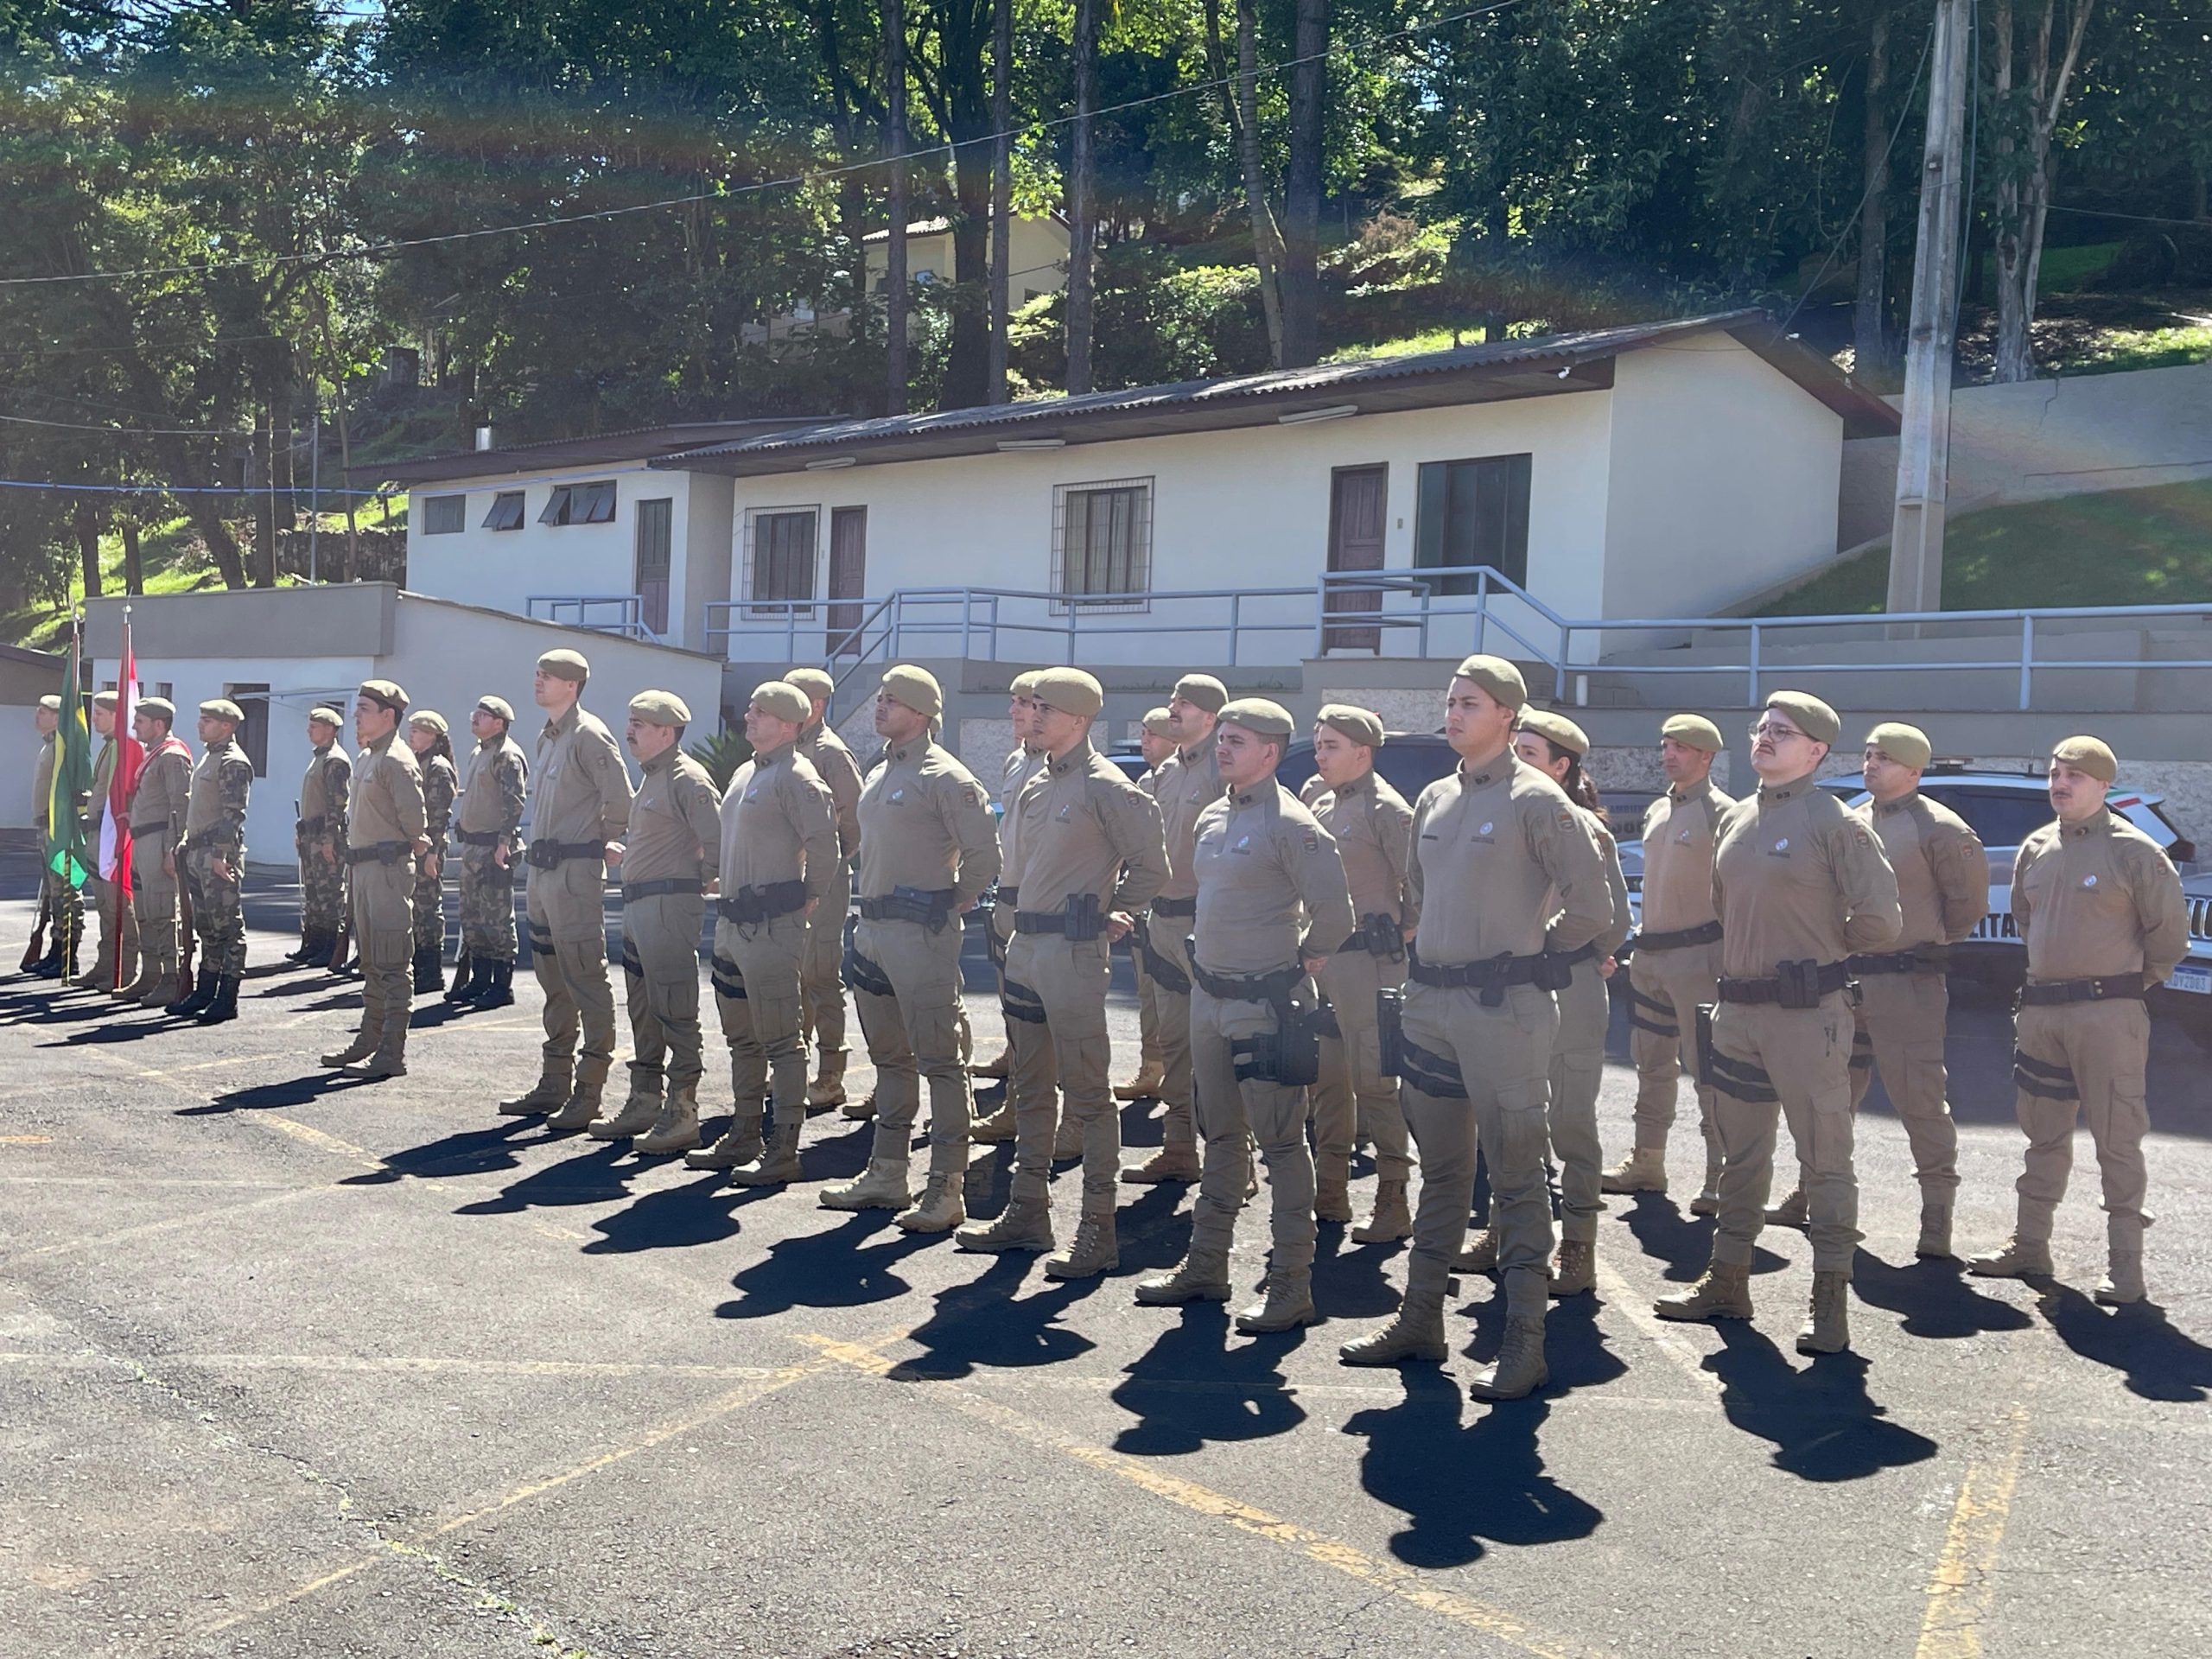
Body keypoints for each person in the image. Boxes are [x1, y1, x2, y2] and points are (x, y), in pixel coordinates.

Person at [1338, 656, 1609, 1403]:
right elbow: (1420, 895)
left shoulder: (1538, 801)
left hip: (1505, 1011)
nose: (1454, 714)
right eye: (1451, 702)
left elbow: (1595, 910)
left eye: (1472, 704)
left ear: (1508, 718)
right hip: (1429, 1004)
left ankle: (1526, 1342)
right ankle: (1421, 1319)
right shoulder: (1433, 797)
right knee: (1444, 1173)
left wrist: (1530, 956)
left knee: (1518, 1178)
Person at [1656, 691, 1901, 1356]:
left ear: (1816, 751)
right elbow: (1722, 904)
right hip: (1737, 1011)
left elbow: (1881, 919)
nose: (1765, 739)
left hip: (1806, 1015)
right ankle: (1728, 1280)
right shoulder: (1737, 819)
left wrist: (1823, 951)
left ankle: (1829, 1303)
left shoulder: (1837, 823)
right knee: (1741, 1155)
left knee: (1824, 1159)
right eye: (1762, 729)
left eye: (1782, 733)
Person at [1136, 698, 1354, 1331]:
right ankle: (1206, 1264)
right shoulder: (1211, 815)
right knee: (1221, 1135)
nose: (1223, 749)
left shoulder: (1294, 824)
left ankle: (1291, 1283)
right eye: (1222, 738)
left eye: (1237, 741)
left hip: (1268, 1004)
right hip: (1210, 998)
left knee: (1284, 1142)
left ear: (1270, 752)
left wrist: (1303, 961)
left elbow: (1336, 916)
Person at [957, 667, 1166, 1276]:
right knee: (1029, 1084)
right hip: (1025, 946)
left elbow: (1154, 866)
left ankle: (1097, 1229)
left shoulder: (1109, 788)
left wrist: (1116, 909)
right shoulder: (1035, 782)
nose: (1036, 716)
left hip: (1072, 956)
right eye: (1034, 706)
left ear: (1081, 719)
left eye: (1049, 709)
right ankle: (1028, 1211)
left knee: (1090, 1096)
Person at [1969, 736, 2188, 1305]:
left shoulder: (2136, 853)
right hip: (2042, 1011)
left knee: (2117, 1141)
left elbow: (2169, 939)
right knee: (2042, 1136)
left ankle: (2126, 1268)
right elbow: (2025, 918)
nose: (2061, 784)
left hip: (2108, 1015)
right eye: (2056, 773)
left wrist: (2121, 986)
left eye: (2076, 775)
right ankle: (2030, 1246)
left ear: (2103, 785)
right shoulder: (2037, 847)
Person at [1767, 722, 1986, 1258]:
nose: (1871, 765)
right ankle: (1811, 1192)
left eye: (1885, 758)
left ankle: (1936, 1216)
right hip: (1847, 978)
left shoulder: (1940, 829)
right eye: (1867, 755)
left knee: (1920, 1099)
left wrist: (1920, 943)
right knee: (1828, 1093)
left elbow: (1965, 909)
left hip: (1908, 981)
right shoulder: (1852, 820)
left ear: (1914, 770)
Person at [822, 666, 1001, 1230]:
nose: (880, 706)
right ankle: (888, 1174)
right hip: (872, 932)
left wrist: (951, 902)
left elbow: (985, 857)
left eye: (893, 701)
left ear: (922, 713)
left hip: (919, 936)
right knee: (890, 1061)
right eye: (880, 697)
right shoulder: (881, 769)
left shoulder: (946, 777)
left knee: (942, 1064)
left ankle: (946, 1188)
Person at [1483, 708, 1630, 1297]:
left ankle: (1578, 1246)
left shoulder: (1583, 828)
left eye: (1529, 753)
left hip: (1566, 985)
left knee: (1569, 1120)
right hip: (1508, 989)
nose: (1514, 761)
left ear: (1561, 767)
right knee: (1510, 1117)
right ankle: (1505, 1230)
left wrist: (1550, 947)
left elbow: (1610, 919)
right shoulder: (1499, 817)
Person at [686, 681, 839, 1183]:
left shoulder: (798, 777)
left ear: (791, 726)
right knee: (741, 1038)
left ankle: (784, 1148)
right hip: (731, 923)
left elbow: (826, 845)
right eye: (750, 709)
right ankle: (745, 1132)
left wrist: (809, 895)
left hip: (772, 925)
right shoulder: (747, 772)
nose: (749, 717)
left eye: (762, 712)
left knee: (782, 1040)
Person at [1605, 714, 1735, 1211]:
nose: (1670, 755)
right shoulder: (1660, 809)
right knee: (1651, 1064)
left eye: (1682, 747)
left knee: (1709, 1070)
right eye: (1666, 745)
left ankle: (1719, 1175)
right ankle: (1647, 1162)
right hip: (1651, 956)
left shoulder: (1722, 812)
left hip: (1699, 956)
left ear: (1706, 757)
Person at [496, 651, 632, 1127]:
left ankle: (589, 1090)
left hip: (574, 875)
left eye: (547, 677)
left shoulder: (590, 734)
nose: (537, 681)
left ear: (572, 686)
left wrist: (610, 839)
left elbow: (620, 796)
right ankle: (554, 1081)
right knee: (553, 981)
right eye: (536, 673)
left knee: (585, 980)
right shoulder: (548, 737)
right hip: (542, 873)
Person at [1300, 704, 1417, 1243]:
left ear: (1362, 753)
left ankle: (1393, 1200)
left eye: (1330, 746)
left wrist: (1394, 938)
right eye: (1319, 744)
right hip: (1324, 965)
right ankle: (1331, 1191)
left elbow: (1420, 890)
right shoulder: (1316, 800)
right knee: (1328, 1079)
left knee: (1375, 1086)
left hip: (1369, 966)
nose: (1320, 754)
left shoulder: (1386, 810)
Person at [590, 691, 723, 1152]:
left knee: (675, 1009)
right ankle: (646, 1100)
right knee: (644, 1010)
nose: (630, 730)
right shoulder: (652, 777)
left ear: (666, 732)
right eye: (630, 721)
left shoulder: (687, 778)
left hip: (668, 906)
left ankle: (683, 1110)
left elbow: (717, 840)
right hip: (641, 906)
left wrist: (698, 880)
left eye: (640, 723)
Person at [1122, 673, 1227, 1185]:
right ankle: (1180, 1147)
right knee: (1176, 1043)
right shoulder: (1168, 771)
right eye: (1171, 700)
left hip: (1204, 922)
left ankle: (1235, 1160)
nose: (1172, 709)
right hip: (1162, 920)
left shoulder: (1222, 766)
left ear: (1210, 717)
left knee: (1218, 1047)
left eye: (1183, 704)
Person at [321, 681, 429, 1078]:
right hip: (364, 869)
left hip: (387, 870)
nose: (355, 715)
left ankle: (390, 1053)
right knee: (371, 961)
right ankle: (369, 1039)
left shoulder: (396, 760)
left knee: (392, 962)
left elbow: (415, 824)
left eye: (364, 708)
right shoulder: (369, 757)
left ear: (388, 716)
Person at [972, 670, 1053, 1137]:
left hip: (1040, 903)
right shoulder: (1016, 760)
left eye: (1024, 702)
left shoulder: (1054, 764)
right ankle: (1017, 1079)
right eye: (1017, 702)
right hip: (1009, 895)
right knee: (1013, 1001)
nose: (1016, 712)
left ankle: (1029, 1109)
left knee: (1040, 1010)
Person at [784, 666, 866, 1113]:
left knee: (819, 973)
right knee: (795, 974)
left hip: (825, 879)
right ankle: (794, 1067)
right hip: (792, 878)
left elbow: (853, 820)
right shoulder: (789, 748)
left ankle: (831, 1073)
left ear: (814, 706)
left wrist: (830, 868)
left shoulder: (830, 753)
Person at [168, 699, 255, 1023]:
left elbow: (234, 815)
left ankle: (227, 998)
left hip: (217, 854)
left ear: (227, 726)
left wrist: (220, 854)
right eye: (201, 719)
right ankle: (205, 991)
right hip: (198, 851)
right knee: (207, 927)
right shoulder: (210, 757)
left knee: (228, 927)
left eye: (208, 720)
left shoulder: (233, 762)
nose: (200, 725)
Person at [447, 696, 529, 1009]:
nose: (475, 719)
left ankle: (501, 987)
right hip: (473, 847)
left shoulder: (507, 756)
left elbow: (514, 802)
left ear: (499, 722)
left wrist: (504, 844)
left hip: (494, 847)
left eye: (483, 715)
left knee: (496, 918)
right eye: (475, 713)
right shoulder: (479, 753)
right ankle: (480, 980)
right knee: (472, 916)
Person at [1115, 707, 1179, 1103]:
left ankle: (1176, 1074)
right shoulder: (1144, 783)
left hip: (1180, 908)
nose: (1145, 741)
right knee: (1147, 992)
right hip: (1149, 906)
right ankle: (1151, 1068)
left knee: (1176, 1002)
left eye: (1152, 734)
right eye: (1143, 733)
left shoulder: (1193, 781)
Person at [117, 697, 191, 1007]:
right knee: (146, 912)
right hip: (144, 839)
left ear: (159, 725)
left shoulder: (172, 756)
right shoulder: (155, 755)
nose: (135, 726)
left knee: (162, 911)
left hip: (161, 840)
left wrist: (174, 848)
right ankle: (150, 973)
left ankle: (172, 977)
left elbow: (180, 804)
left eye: (141, 721)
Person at [72, 691, 139, 992]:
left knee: (119, 905)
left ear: (116, 715)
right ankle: (106, 964)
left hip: (112, 835)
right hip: (98, 833)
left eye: (99, 713)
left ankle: (124, 968)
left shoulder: (123, 748)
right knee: (104, 905)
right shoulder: (108, 747)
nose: (94, 718)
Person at [290, 706, 351, 967]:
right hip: (311, 834)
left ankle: (331, 947)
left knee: (329, 894)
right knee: (314, 893)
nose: (308, 730)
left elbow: (337, 803)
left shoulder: (334, 760)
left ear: (330, 729)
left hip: (326, 836)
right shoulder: (320, 757)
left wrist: (328, 839)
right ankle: (314, 944)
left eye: (314, 725)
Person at [405, 711, 460, 995]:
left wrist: (433, 853)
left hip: (429, 848)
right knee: (416, 907)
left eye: (417, 730)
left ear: (433, 736)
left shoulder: (437, 767)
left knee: (427, 908)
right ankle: (419, 965)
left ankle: (431, 970)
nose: (411, 734)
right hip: (417, 846)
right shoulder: (419, 763)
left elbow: (439, 815)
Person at [25, 694, 79, 979]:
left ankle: (67, 955)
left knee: (65, 893)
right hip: (46, 828)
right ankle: (56, 951)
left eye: (44, 712)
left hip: (59, 831)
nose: (37, 715)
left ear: (58, 718)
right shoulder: (48, 747)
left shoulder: (61, 748)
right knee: (53, 894)